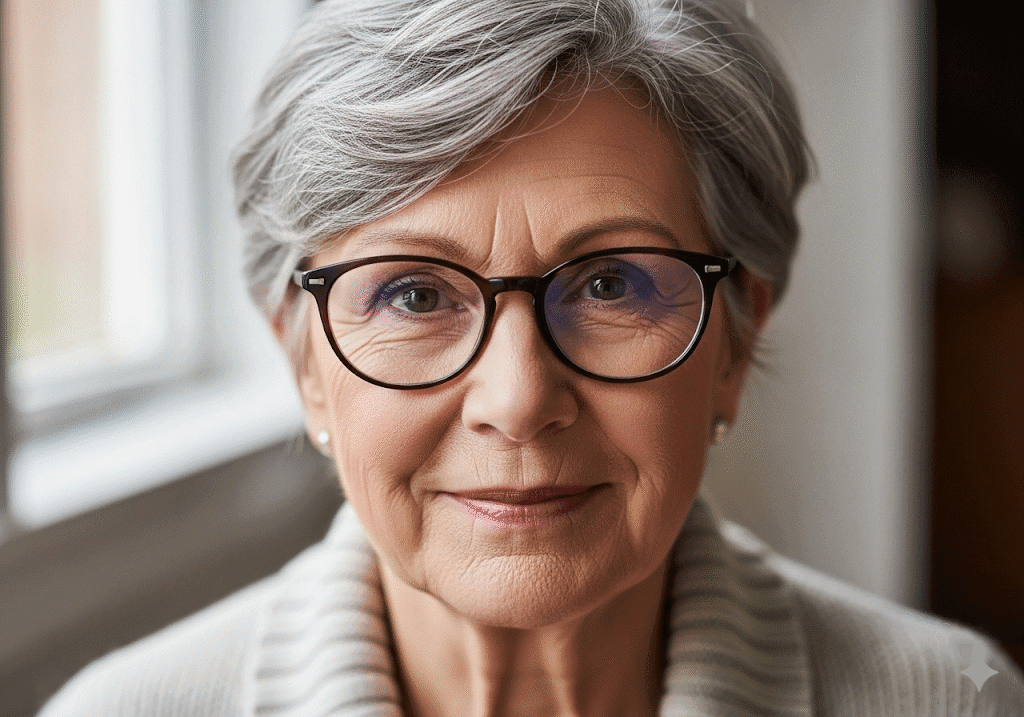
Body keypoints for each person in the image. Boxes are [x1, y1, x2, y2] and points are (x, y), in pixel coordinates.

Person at [39, 0, 1023, 715]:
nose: (517, 400)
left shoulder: (952, 699)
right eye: (414, 294)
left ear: (734, 342)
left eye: (612, 285)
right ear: (306, 368)